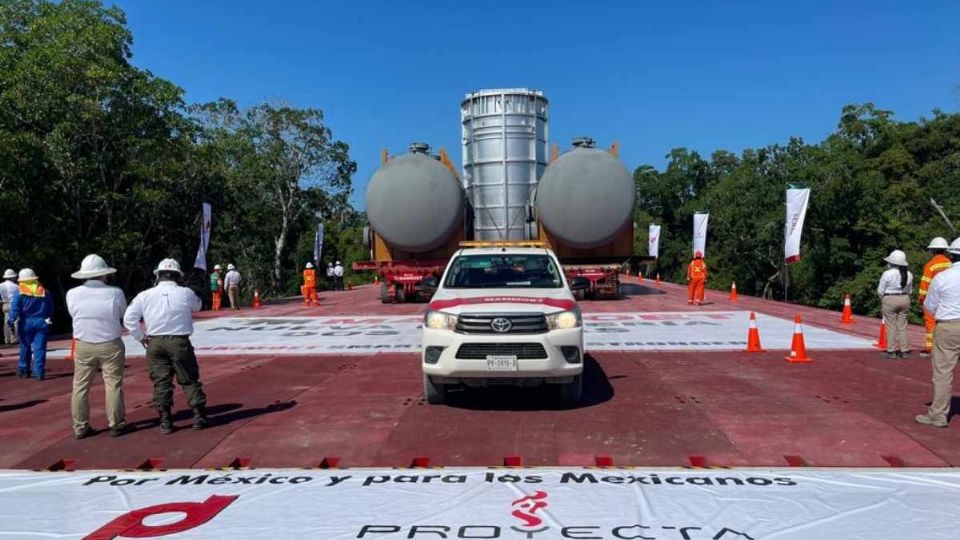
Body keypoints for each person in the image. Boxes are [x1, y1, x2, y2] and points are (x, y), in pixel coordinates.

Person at [123, 258, 208, 433]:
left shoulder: (144, 295)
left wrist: (141, 337)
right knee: (189, 378)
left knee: (161, 382)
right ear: (178, 276)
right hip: (179, 341)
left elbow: (128, 319)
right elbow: (198, 307)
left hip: (155, 342)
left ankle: (165, 421)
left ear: (158, 276)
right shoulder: (186, 292)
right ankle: (198, 416)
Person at [66, 255, 128, 439]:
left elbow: (72, 313)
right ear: (104, 275)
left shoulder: (72, 293)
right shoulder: (115, 292)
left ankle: (80, 427)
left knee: (80, 386)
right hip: (110, 343)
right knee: (113, 384)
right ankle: (116, 424)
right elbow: (123, 313)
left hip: (83, 344)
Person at [916, 237, 960, 428]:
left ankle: (938, 415)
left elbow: (930, 306)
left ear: (952, 254)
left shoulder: (942, 277)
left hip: (948, 326)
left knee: (943, 372)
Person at [8, 268, 54, 380]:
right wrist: (48, 321)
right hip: (42, 322)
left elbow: (14, 309)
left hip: (26, 322)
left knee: (25, 347)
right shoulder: (45, 292)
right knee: (40, 348)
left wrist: (11, 321)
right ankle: (39, 372)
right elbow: (51, 310)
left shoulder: (19, 293)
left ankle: (24, 369)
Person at [918, 238, 952, 357]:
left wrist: (921, 299)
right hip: (948, 299)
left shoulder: (930, 265)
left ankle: (930, 348)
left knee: (931, 322)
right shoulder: (950, 263)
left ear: (932, 250)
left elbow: (925, 284)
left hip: (933, 298)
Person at [877, 249, 913, 359]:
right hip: (905, 298)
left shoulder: (887, 273)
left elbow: (880, 290)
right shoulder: (909, 274)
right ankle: (905, 350)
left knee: (891, 326)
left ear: (892, 262)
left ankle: (891, 351)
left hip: (890, 298)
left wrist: (883, 299)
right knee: (902, 326)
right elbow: (910, 290)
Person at [0, 268, 19, 345]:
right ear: (12, 277)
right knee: (15, 321)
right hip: (13, 304)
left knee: (6, 322)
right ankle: (14, 338)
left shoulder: (1, 285)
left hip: (5, 304)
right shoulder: (16, 286)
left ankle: (7, 339)